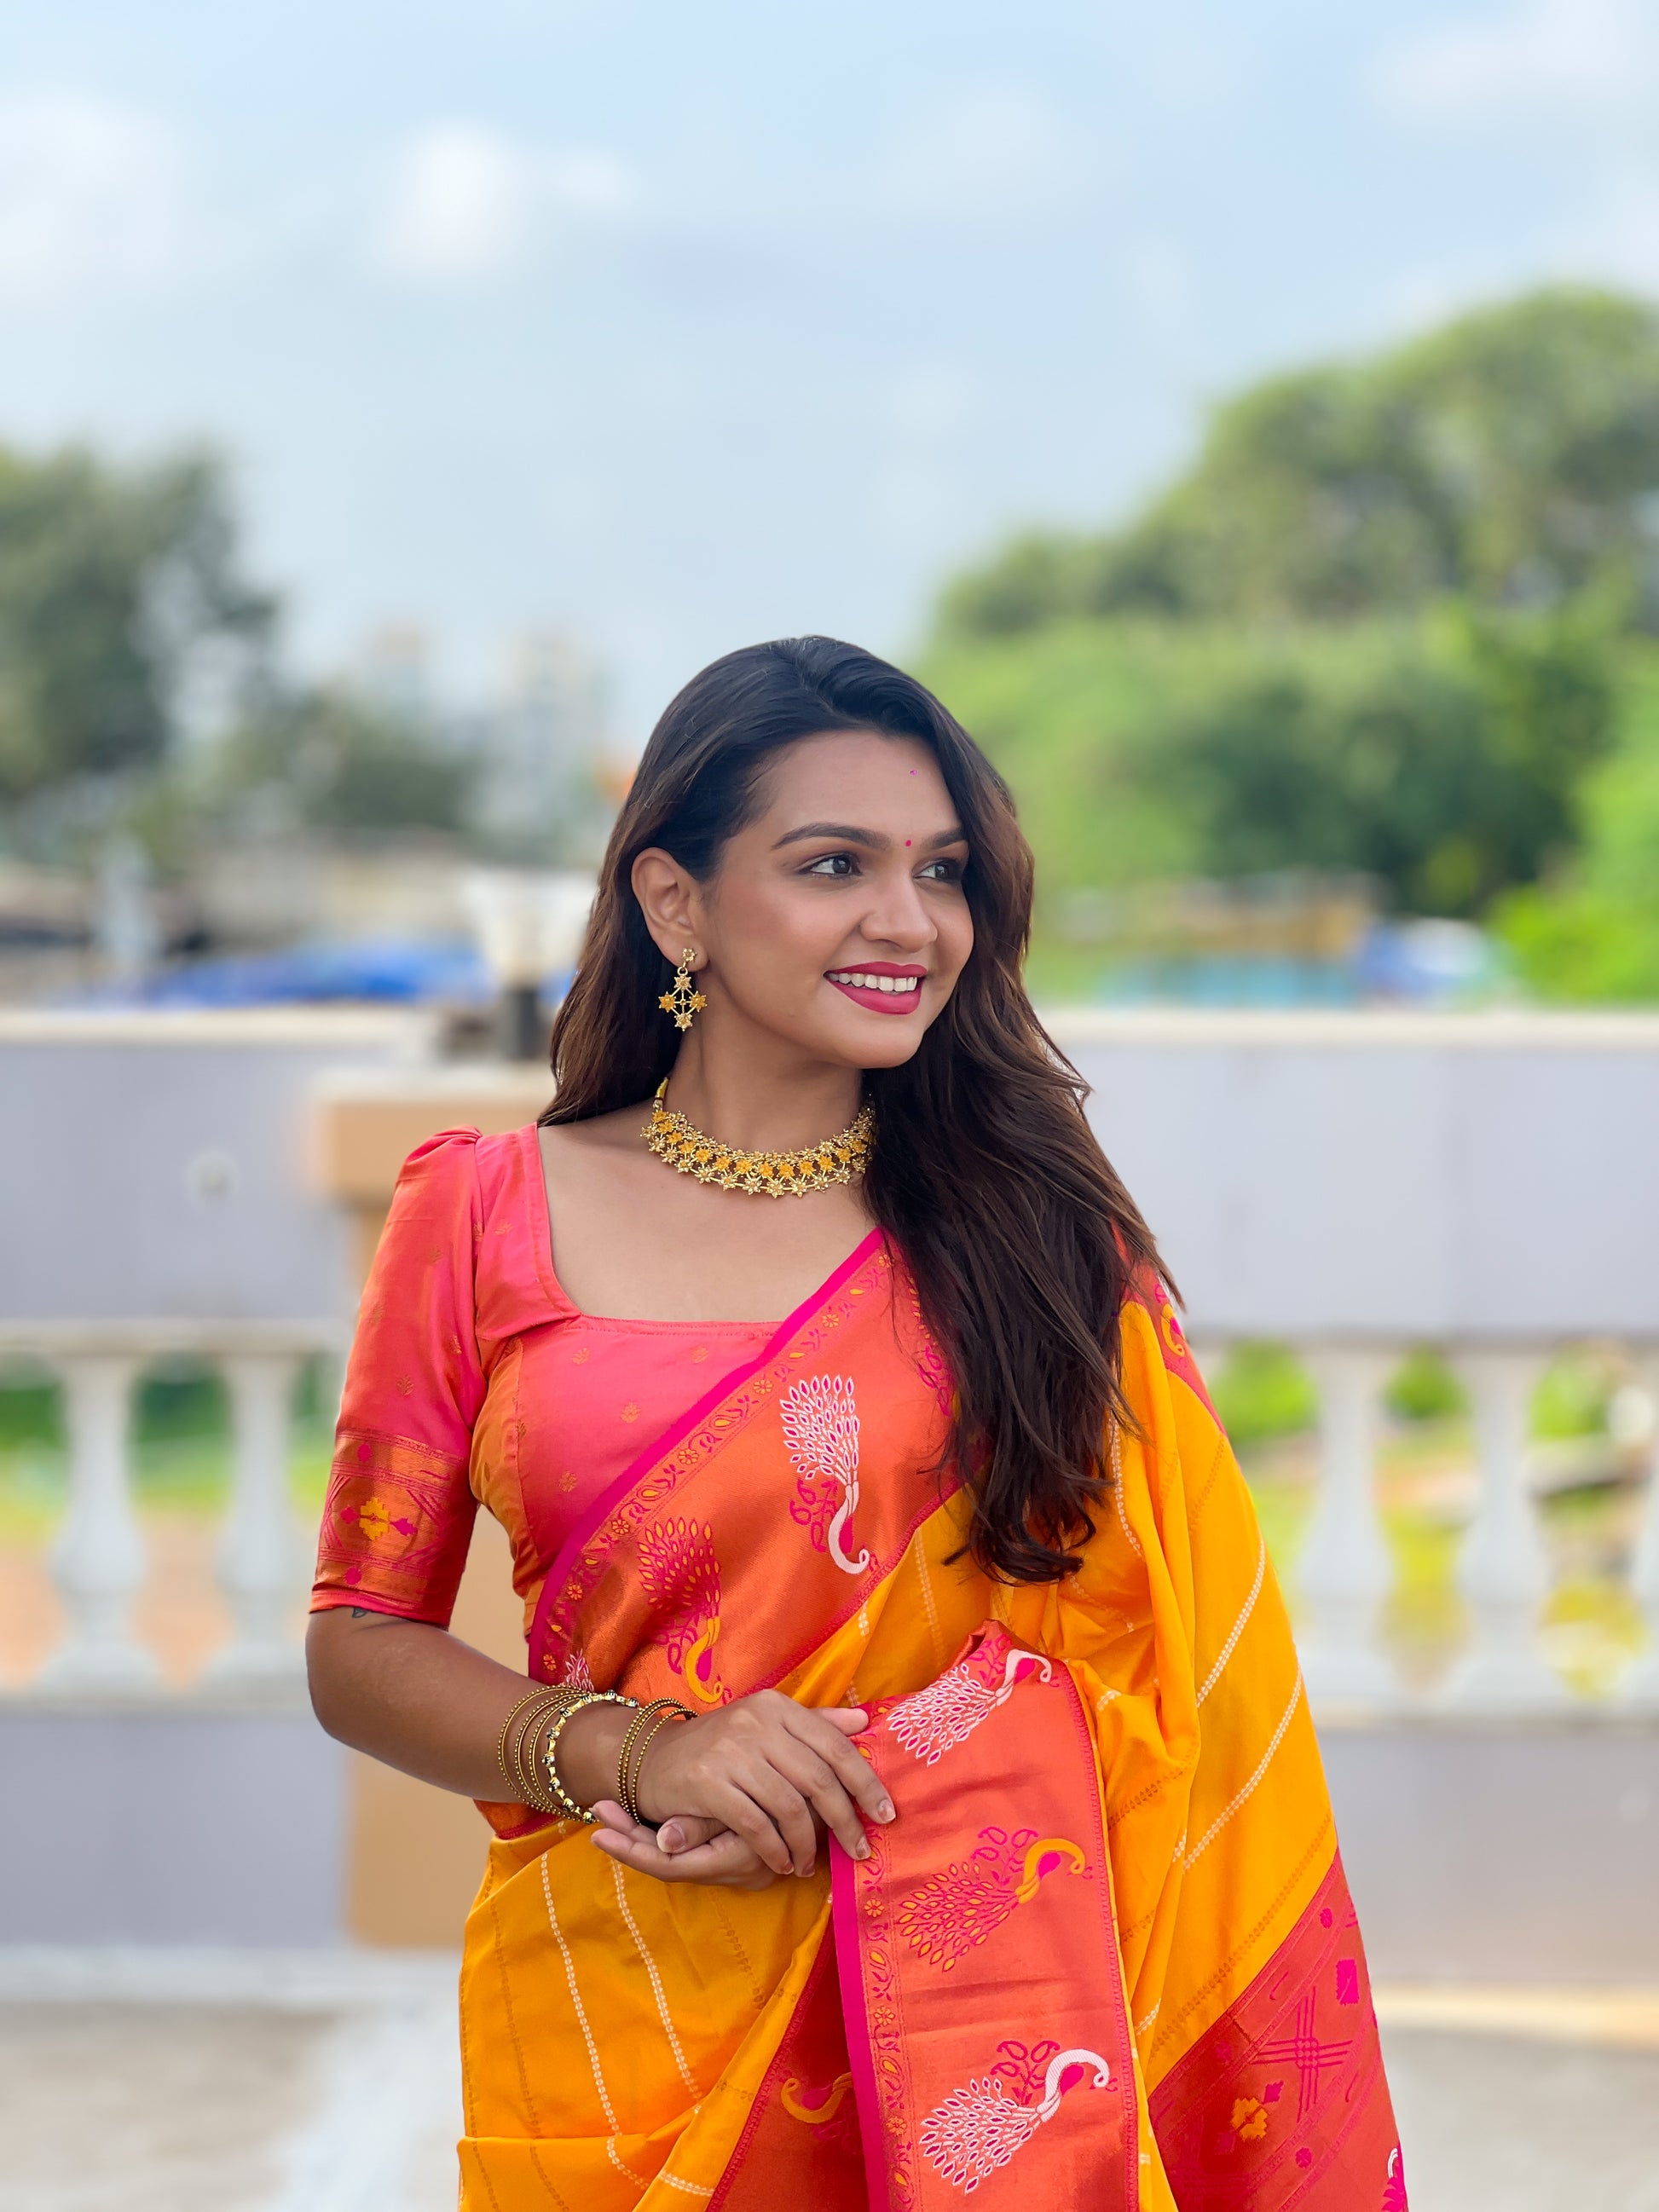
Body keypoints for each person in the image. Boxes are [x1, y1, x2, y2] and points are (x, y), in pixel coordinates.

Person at [307, 636, 1405, 2210]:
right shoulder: (479, 1218)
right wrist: (639, 1753)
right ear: (675, 902)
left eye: (941, 871)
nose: (909, 921)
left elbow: (1169, 1671)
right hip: (621, 2017)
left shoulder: (1039, 1244)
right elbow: (359, 1644)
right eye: (835, 865)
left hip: (986, 2030)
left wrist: (861, 1775)